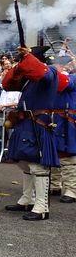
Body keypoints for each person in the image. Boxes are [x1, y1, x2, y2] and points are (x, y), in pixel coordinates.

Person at [1, 46, 63, 220]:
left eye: (27, 60)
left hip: (38, 122)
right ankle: (27, 199)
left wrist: (27, 58)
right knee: (24, 162)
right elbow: (8, 84)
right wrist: (19, 65)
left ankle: (41, 207)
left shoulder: (49, 71)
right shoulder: (29, 78)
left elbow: (44, 75)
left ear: (34, 60)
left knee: (37, 164)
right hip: (25, 122)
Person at [53, 59, 76, 204]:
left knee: (68, 155)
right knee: (53, 152)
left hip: (67, 119)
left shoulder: (72, 77)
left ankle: (71, 189)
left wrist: (52, 72)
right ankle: (54, 185)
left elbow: (64, 83)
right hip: (54, 118)